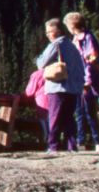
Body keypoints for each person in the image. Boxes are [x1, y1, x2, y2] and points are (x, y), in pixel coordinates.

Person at [35, 18, 84, 152]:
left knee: (54, 118)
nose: (48, 35)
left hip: (57, 87)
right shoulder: (72, 45)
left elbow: (41, 63)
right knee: (69, 118)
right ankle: (72, 146)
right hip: (73, 88)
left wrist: (38, 58)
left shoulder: (56, 45)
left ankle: (53, 146)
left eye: (49, 31)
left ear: (57, 31)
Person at [64, 11, 99, 150]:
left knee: (89, 112)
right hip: (78, 81)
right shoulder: (77, 38)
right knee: (80, 111)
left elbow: (91, 61)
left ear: (72, 25)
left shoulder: (87, 38)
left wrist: (87, 81)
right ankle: (81, 141)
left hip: (86, 82)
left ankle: (97, 141)